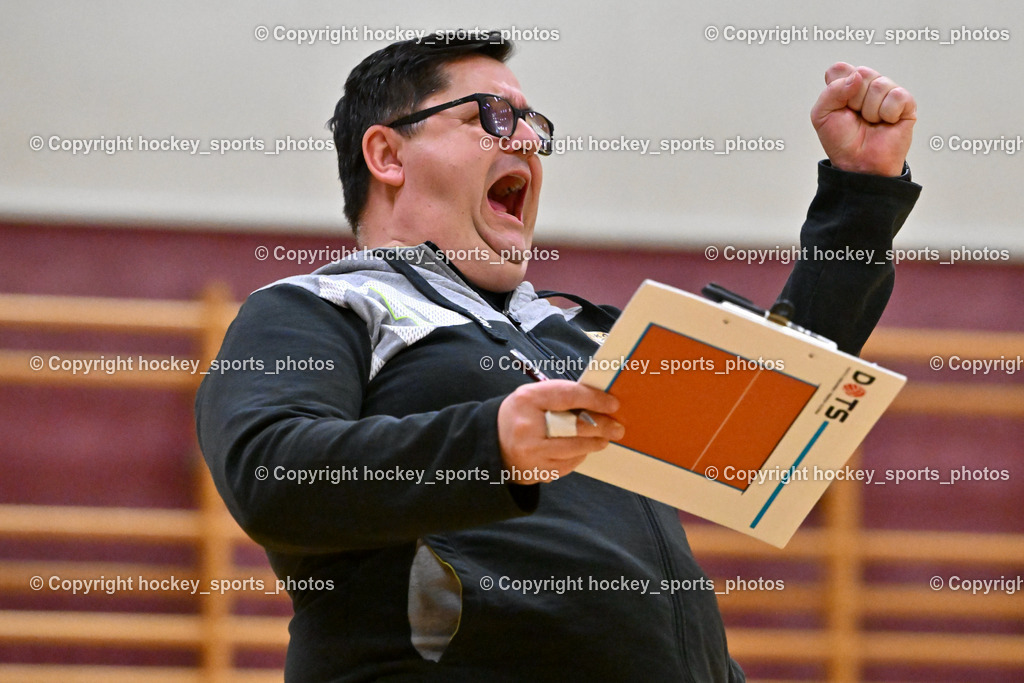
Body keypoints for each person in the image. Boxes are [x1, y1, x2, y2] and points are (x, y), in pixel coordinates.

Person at [195, 30, 921, 682]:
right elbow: (272, 472)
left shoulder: (579, 335)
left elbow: (776, 395)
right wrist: (493, 446)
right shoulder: (318, 307)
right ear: (387, 154)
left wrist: (861, 194)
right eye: (492, 116)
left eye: (534, 125)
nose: (526, 143)